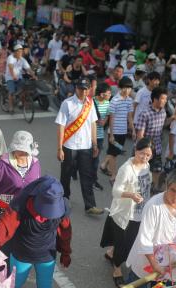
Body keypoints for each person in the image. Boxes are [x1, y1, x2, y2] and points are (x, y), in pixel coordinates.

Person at [0, 176, 72, 288]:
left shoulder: (63, 208)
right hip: (21, 254)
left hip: (47, 255)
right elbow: (5, 225)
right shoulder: (22, 203)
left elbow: (65, 231)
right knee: (12, 286)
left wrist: (66, 252)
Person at [100, 137, 152, 288]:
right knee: (125, 243)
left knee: (128, 241)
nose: (145, 158)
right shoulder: (126, 169)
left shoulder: (146, 165)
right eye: (142, 154)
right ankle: (116, 269)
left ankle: (111, 253)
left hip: (140, 212)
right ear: (135, 150)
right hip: (124, 214)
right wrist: (131, 195)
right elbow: (115, 191)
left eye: (148, 155)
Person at [56, 77, 103, 215]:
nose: (83, 91)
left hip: (85, 146)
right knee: (66, 174)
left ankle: (90, 206)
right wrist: (59, 148)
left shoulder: (90, 103)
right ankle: (64, 200)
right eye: (80, 88)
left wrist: (94, 144)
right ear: (76, 88)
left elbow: (93, 124)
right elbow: (61, 126)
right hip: (69, 145)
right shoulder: (67, 103)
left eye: (85, 89)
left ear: (88, 90)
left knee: (86, 175)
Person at [100, 77, 135, 184]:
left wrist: (133, 130)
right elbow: (112, 117)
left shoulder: (129, 100)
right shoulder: (115, 100)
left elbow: (129, 117)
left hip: (123, 132)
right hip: (114, 132)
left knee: (115, 152)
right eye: (125, 88)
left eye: (129, 88)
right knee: (113, 153)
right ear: (120, 88)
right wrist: (111, 135)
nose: (127, 90)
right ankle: (113, 176)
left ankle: (103, 165)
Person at [136, 86, 167, 171]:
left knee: (156, 171)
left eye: (165, 99)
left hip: (157, 149)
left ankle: (153, 185)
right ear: (155, 99)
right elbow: (140, 136)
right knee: (138, 172)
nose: (165, 101)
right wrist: (146, 151)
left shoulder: (163, 112)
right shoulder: (145, 114)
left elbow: (162, 126)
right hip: (144, 150)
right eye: (163, 99)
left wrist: (173, 118)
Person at [4, 44, 36, 114]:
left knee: (24, 89)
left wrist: (33, 75)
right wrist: (13, 76)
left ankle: (21, 103)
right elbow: (11, 68)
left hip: (19, 77)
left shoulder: (22, 59)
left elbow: (28, 68)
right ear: (15, 52)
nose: (21, 53)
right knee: (11, 92)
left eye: (21, 51)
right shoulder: (10, 58)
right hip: (10, 78)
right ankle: (11, 107)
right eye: (19, 51)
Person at [93, 82, 111, 190]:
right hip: (89, 136)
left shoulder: (107, 103)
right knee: (86, 159)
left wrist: (104, 121)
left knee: (95, 160)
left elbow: (108, 115)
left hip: (99, 136)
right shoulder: (92, 102)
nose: (110, 95)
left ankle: (93, 180)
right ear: (101, 94)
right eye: (108, 93)